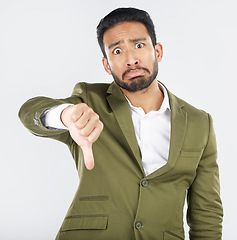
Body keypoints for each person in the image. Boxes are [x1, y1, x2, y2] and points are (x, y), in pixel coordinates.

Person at [18, 7, 223, 240]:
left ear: (157, 51)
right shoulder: (89, 101)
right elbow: (29, 112)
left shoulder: (200, 123)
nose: (131, 59)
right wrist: (65, 115)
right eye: (117, 51)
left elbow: (207, 211)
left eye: (138, 45)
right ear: (107, 65)